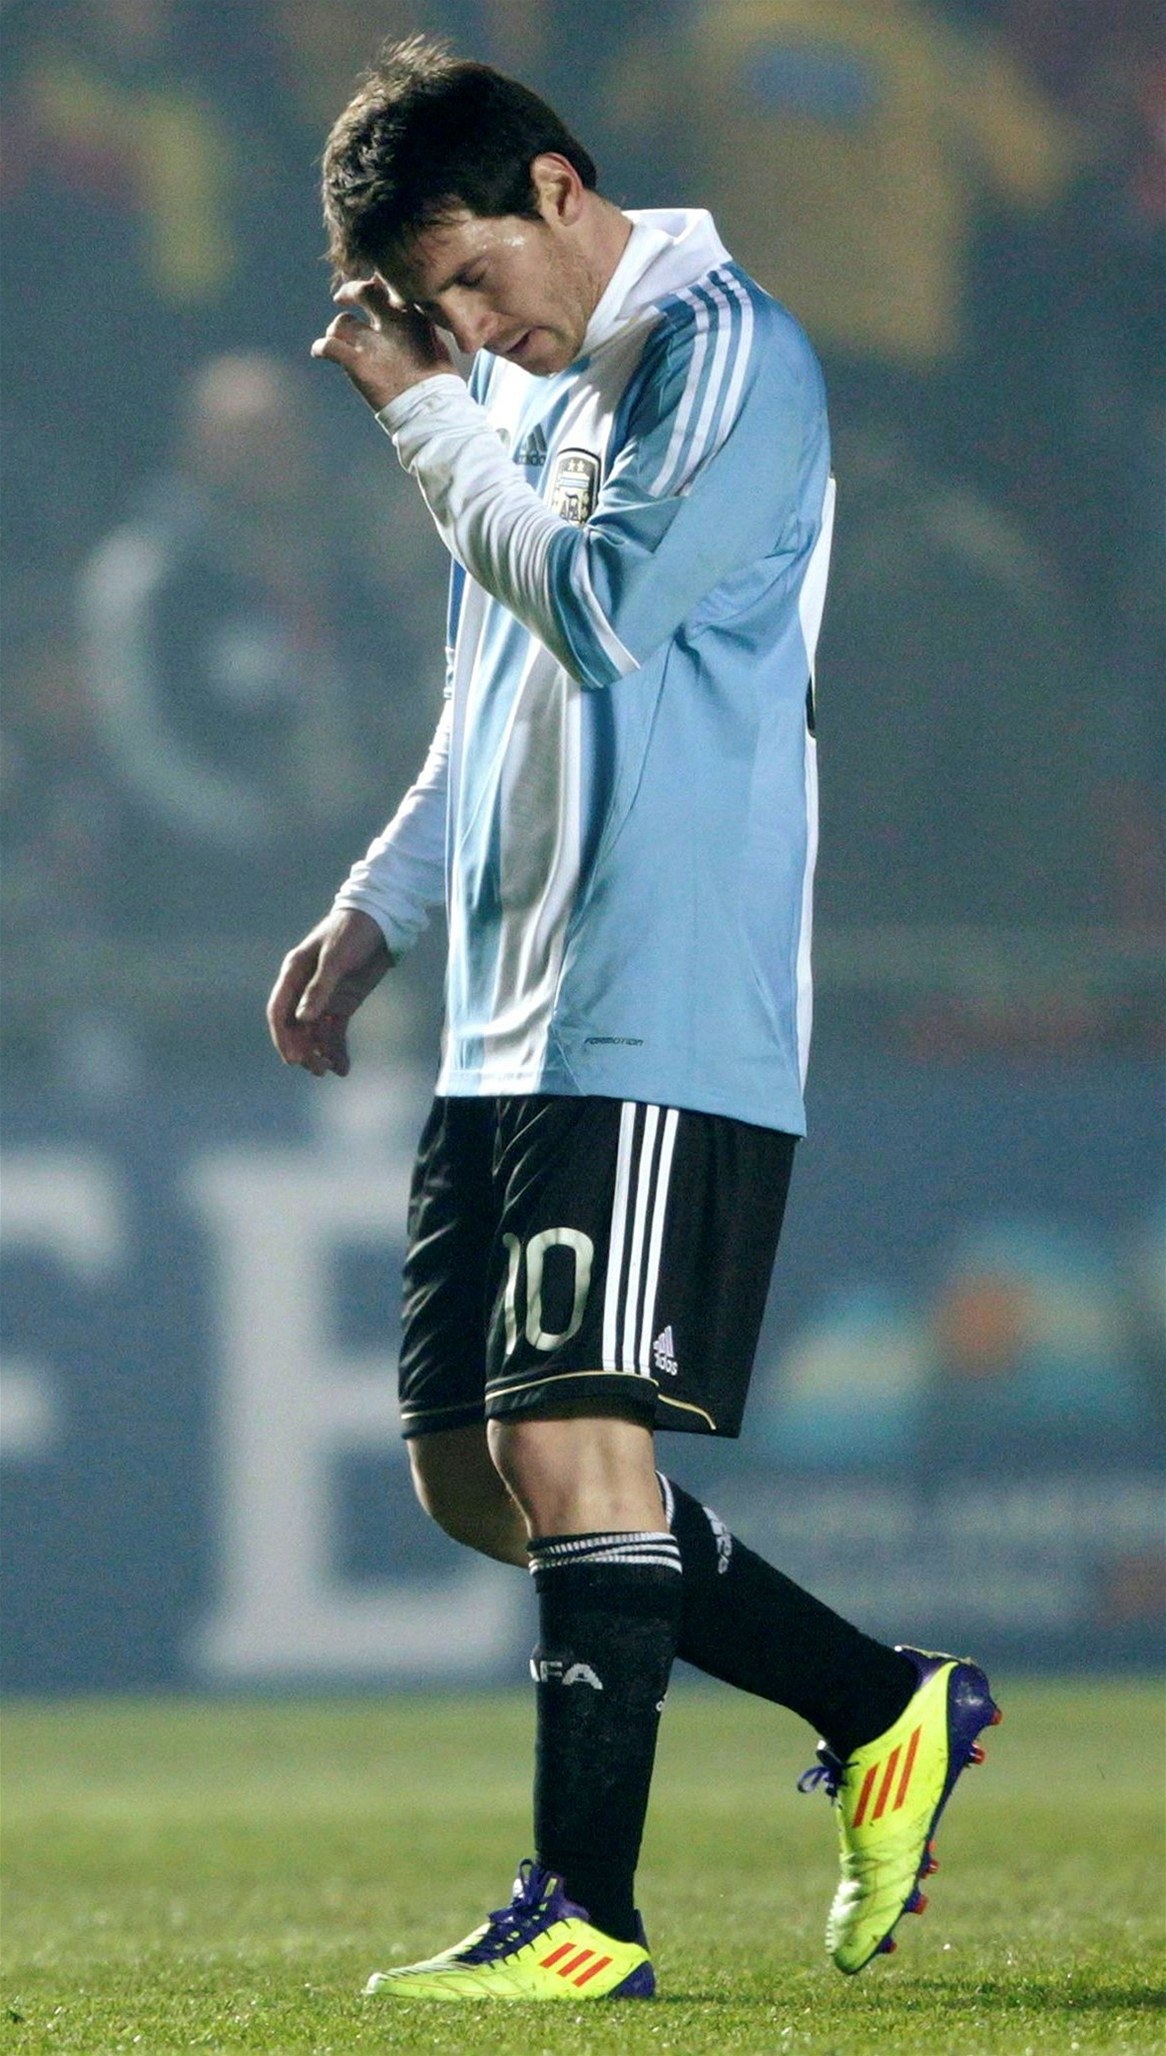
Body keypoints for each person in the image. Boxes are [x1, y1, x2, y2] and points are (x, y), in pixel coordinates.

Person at [267, 35, 1000, 2002]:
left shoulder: (725, 352)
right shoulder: (517, 394)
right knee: (471, 1473)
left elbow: (596, 610)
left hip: (652, 991)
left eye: (472, 278)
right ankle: (876, 1699)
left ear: (559, 188)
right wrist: (376, 908)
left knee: (569, 1445)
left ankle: (583, 1917)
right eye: (429, 311)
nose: (465, 330)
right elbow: (490, 694)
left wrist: (428, 421)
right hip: (504, 1012)